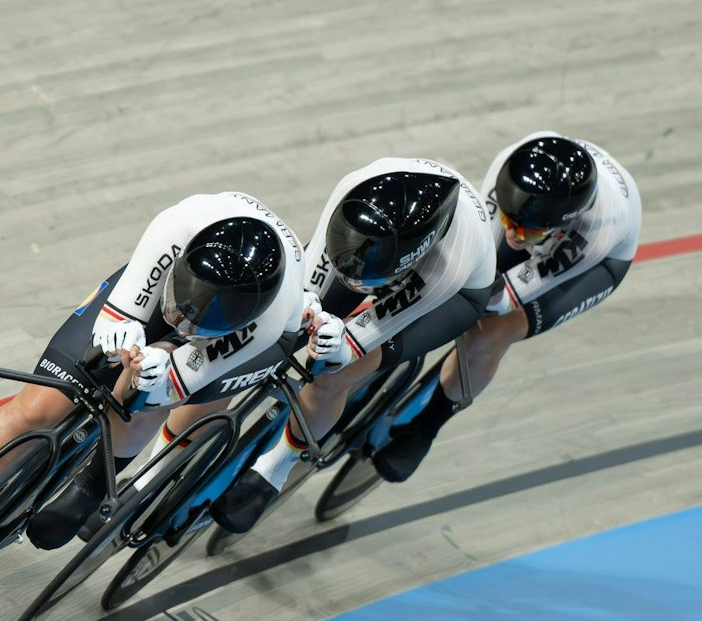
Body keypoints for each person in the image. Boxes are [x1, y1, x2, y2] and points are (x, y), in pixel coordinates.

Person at [0, 193, 306, 576]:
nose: (183, 322)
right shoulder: (177, 226)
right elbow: (122, 313)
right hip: (173, 283)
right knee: (38, 406)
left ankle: (87, 488)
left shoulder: (264, 327)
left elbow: (175, 383)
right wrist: (122, 336)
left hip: (224, 344)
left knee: (143, 400)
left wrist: (152, 368)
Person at [208, 157, 497, 534]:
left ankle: (274, 468)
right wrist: (306, 312)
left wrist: (339, 344)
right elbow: (306, 287)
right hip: (367, 250)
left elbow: (371, 331)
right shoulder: (354, 189)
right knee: (285, 321)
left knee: (333, 373)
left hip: (448, 296)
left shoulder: (452, 263)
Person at [370, 131, 641, 484]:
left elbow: (506, 296)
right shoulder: (512, 167)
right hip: (539, 212)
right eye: (509, 221)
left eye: (524, 233)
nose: (514, 235)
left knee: (492, 331)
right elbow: (479, 243)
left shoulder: (597, 232)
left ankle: (426, 427)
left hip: (598, 264)